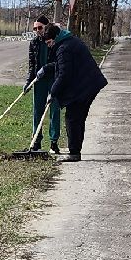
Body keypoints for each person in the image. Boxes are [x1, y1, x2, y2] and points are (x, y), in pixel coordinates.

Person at [31, 14, 108, 162]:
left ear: (54, 38)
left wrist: (52, 93)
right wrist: (46, 68)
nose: (48, 46)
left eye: (49, 43)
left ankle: (74, 153)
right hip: (88, 84)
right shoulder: (68, 42)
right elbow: (62, 65)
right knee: (77, 118)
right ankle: (75, 150)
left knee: (72, 118)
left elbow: (64, 74)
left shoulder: (63, 48)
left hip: (85, 86)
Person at [25, 20, 65, 154]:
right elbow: (32, 65)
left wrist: (47, 68)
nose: (37, 31)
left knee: (54, 110)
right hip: (40, 80)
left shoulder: (53, 41)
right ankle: (36, 141)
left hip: (54, 79)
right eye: (35, 29)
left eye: (40, 28)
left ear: (46, 27)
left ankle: (54, 142)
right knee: (38, 110)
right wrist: (29, 81)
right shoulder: (34, 43)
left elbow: (58, 62)